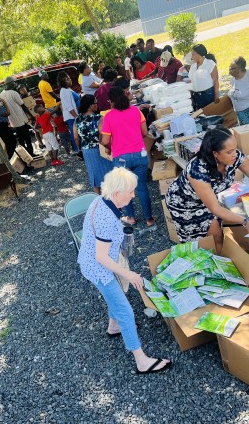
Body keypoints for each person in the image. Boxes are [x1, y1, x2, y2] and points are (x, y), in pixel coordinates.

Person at [77, 167, 172, 374]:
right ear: (118, 193)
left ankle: (113, 327)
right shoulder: (105, 217)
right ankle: (141, 361)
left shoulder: (103, 200)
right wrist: (127, 273)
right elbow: (100, 257)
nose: (133, 194)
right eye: (130, 191)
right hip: (99, 268)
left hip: (96, 262)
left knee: (116, 298)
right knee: (126, 311)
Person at [101, 87, 155, 228]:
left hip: (121, 157)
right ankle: (149, 219)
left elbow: (105, 141)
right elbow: (144, 132)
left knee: (125, 189)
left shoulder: (109, 116)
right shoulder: (136, 111)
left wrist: (109, 147)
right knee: (142, 187)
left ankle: (131, 217)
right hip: (139, 154)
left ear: (111, 101)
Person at [73, 95, 113, 194]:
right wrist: (109, 148)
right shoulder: (99, 118)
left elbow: (76, 138)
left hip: (87, 151)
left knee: (94, 176)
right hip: (100, 149)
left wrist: (80, 149)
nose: (97, 105)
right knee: (106, 175)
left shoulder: (77, 119)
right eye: (95, 103)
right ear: (90, 106)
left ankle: (98, 200)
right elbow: (103, 136)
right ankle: (110, 202)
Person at [0, 76, 36, 156]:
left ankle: (24, 156)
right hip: (21, 119)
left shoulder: (1, 94)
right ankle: (31, 154)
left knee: (21, 139)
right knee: (27, 138)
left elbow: (2, 107)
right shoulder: (14, 93)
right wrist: (31, 116)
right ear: (10, 83)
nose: (15, 83)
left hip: (13, 121)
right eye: (13, 82)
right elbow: (23, 106)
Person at [188, 44, 220, 110]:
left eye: (193, 54)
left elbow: (215, 80)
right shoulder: (193, 66)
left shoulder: (210, 64)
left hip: (208, 95)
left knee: (210, 114)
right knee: (201, 116)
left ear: (199, 54)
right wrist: (191, 96)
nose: (192, 57)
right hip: (196, 96)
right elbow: (191, 82)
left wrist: (216, 95)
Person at [57, 71, 80, 154]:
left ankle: (78, 148)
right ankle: (77, 150)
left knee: (76, 132)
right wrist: (77, 116)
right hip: (71, 116)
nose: (70, 80)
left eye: (69, 78)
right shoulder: (63, 91)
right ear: (63, 80)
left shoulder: (67, 89)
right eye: (68, 79)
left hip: (73, 114)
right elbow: (69, 106)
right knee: (74, 133)